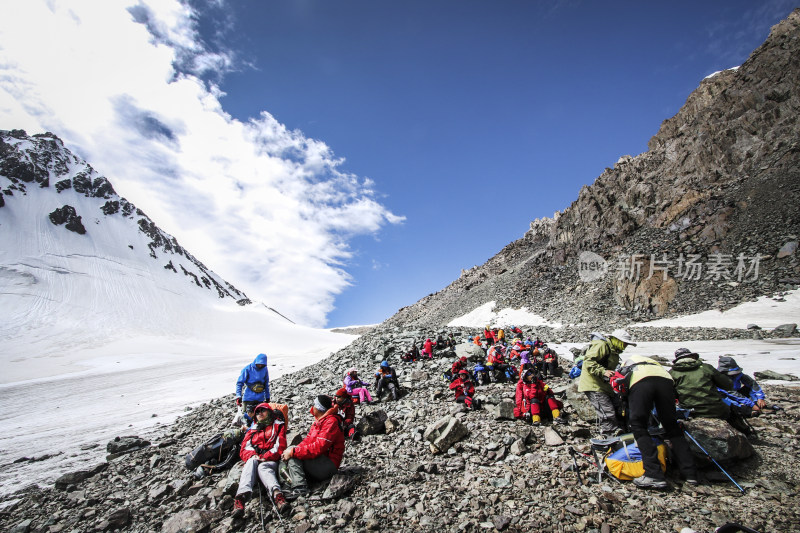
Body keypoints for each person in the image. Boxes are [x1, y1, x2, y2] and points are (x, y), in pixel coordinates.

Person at [621, 355, 698, 490]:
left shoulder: (627, 363)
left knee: (639, 425)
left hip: (641, 381)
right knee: (671, 425)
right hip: (666, 380)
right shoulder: (654, 363)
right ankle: (690, 473)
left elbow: (623, 385)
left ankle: (653, 474)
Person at [232, 403, 289, 518]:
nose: (260, 414)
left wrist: (265, 457)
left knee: (263, 467)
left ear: (269, 412)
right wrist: (253, 455)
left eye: (263, 411)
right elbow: (244, 448)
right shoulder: (252, 429)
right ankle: (240, 499)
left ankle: (278, 496)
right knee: (251, 462)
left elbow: (280, 446)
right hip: (256, 458)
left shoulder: (278, 426)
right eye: (257, 412)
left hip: (271, 460)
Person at [281, 395, 345, 498]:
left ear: (319, 409)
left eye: (314, 405)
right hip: (319, 461)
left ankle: (300, 487)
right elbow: (307, 441)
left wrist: (294, 452)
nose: (312, 407)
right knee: (290, 450)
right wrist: (292, 450)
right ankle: (290, 483)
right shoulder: (320, 421)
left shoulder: (331, 422)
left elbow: (319, 447)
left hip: (328, 464)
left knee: (294, 455)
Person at [578, 329, 636, 436]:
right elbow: (588, 362)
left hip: (605, 386)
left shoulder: (614, 352)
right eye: (625, 343)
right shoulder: (602, 345)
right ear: (617, 340)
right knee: (607, 412)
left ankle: (622, 433)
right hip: (593, 384)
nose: (625, 346)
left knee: (618, 409)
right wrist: (604, 372)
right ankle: (610, 436)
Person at [669, 348, 733, 419]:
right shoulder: (706, 368)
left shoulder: (672, 373)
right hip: (716, 410)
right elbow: (728, 385)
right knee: (734, 411)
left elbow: (671, 395)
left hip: (691, 412)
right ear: (692, 356)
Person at [235, 354, 271, 420]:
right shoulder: (247, 369)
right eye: (259, 364)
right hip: (248, 398)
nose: (260, 366)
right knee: (247, 418)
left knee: (260, 418)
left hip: (260, 398)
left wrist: (267, 397)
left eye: (262, 364)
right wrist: (238, 396)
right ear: (256, 361)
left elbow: (266, 383)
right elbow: (239, 383)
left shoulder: (264, 369)